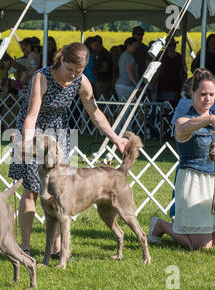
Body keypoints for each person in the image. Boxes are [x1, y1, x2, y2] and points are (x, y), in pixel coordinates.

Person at [8, 42, 128, 257]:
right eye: (70, 69)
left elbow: (95, 113)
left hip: (58, 134)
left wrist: (116, 138)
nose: (73, 75)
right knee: (31, 190)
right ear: (61, 60)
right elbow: (31, 116)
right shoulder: (41, 78)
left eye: (78, 71)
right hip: (33, 133)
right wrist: (26, 147)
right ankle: (24, 247)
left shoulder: (81, 82)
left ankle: (58, 248)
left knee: (61, 190)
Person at [148, 68, 215, 250]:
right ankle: (160, 225)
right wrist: (208, 119)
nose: (207, 99)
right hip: (193, 184)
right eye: (203, 94)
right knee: (202, 247)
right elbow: (184, 128)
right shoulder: (183, 120)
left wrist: (212, 120)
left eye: (212, 94)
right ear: (192, 93)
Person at [157, 39, 186, 108]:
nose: (172, 47)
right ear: (166, 46)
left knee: (174, 105)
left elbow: (183, 71)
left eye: (174, 45)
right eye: (170, 45)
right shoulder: (162, 56)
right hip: (163, 85)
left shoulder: (179, 57)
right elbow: (158, 71)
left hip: (175, 84)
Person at [115, 37, 139, 101]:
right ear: (128, 45)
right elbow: (129, 73)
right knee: (128, 109)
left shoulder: (123, 55)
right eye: (134, 45)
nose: (136, 47)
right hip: (126, 86)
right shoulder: (129, 56)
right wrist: (137, 85)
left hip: (120, 85)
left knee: (123, 107)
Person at [94, 35, 113, 99]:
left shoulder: (103, 53)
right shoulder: (102, 52)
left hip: (103, 81)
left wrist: (95, 71)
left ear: (98, 43)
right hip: (105, 80)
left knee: (102, 100)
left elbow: (105, 68)